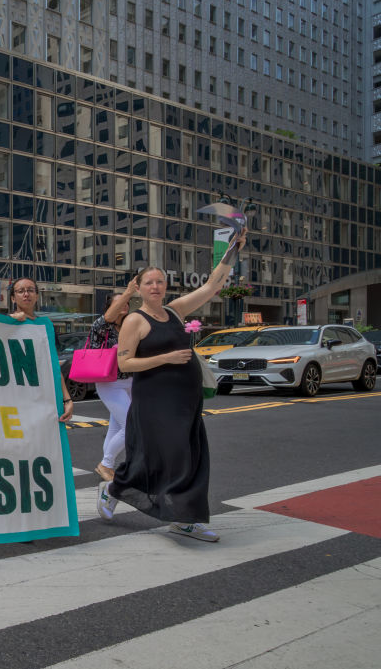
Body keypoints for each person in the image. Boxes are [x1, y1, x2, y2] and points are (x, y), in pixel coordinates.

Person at [100, 229, 248, 542]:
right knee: (167, 456)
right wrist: (167, 357)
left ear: (165, 287)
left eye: (160, 281)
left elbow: (212, 285)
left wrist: (232, 251)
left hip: (186, 401)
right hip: (155, 401)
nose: (155, 286)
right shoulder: (135, 321)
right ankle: (115, 487)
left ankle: (184, 519)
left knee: (191, 456)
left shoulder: (175, 311)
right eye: (148, 282)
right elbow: (125, 364)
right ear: (138, 288)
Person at [90, 279, 139, 488]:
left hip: (131, 381)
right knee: (132, 425)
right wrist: (129, 292)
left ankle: (106, 465)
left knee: (117, 426)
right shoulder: (102, 328)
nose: (125, 305)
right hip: (109, 382)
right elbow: (107, 319)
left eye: (127, 302)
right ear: (109, 307)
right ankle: (106, 463)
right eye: (120, 302)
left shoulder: (132, 326)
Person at [7, 277, 74, 424]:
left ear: (37, 296)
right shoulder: (4, 324)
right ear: (13, 298)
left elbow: (53, 365)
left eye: (30, 290)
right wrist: (10, 322)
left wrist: (67, 399)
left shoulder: (46, 326)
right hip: (13, 397)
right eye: (21, 291)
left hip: (43, 396)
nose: (26, 294)